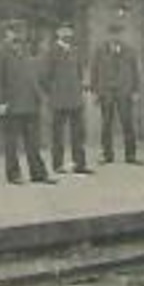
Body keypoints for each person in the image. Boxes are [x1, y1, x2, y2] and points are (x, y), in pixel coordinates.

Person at [0, 19, 54, 185]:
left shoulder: (27, 51)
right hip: (11, 104)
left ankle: (38, 173)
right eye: (13, 30)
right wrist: (0, 102)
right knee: (11, 142)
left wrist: (40, 97)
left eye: (20, 31)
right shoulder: (1, 53)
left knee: (33, 141)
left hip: (30, 103)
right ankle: (13, 174)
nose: (17, 34)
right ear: (7, 33)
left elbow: (33, 76)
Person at [91, 19, 143, 165]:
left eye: (118, 34)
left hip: (124, 91)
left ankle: (130, 155)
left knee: (127, 123)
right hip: (106, 91)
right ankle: (107, 155)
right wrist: (95, 91)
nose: (115, 37)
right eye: (112, 34)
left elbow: (135, 71)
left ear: (122, 35)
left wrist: (136, 90)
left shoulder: (129, 51)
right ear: (107, 35)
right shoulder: (100, 50)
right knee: (106, 124)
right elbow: (94, 71)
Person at [44, 21, 92, 175]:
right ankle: (58, 164)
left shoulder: (75, 51)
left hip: (75, 98)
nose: (67, 34)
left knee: (78, 133)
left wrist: (81, 90)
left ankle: (79, 164)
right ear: (58, 33)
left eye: (69, 31)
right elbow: (46, 76)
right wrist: (52, 93)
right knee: (58, 133)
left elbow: (79, 73)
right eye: (63, 30)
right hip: (59, 99)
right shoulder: (51, 51)